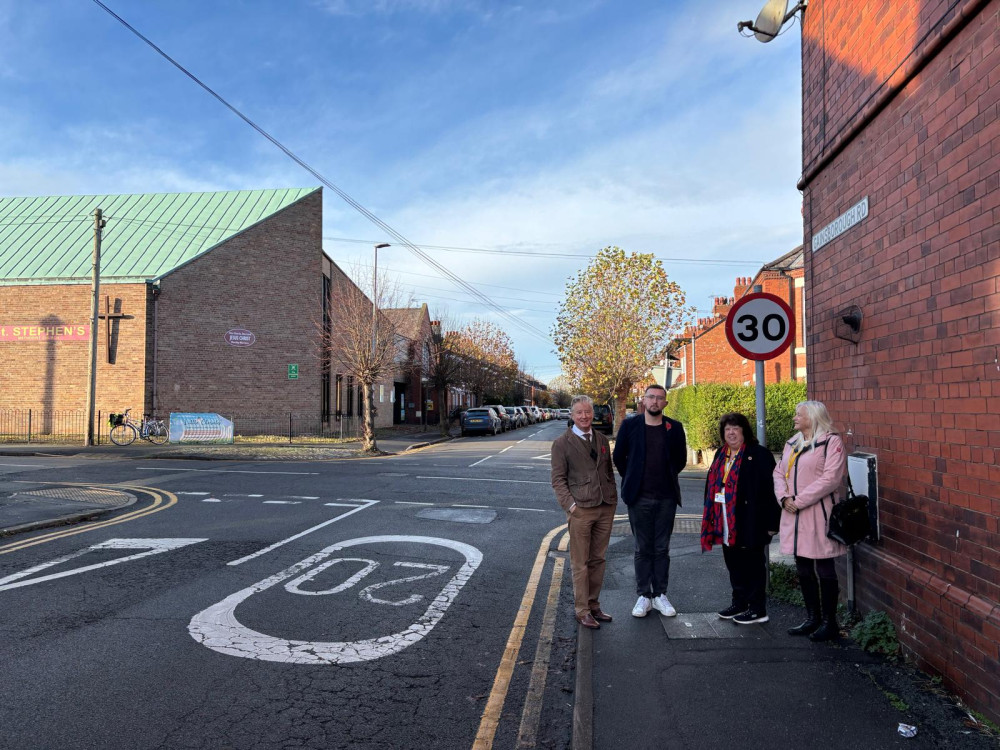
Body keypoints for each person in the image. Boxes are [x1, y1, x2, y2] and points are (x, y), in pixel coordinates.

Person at [773, 400, 847, 642]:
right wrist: (784, 498)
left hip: (818, 513)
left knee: (824, 565)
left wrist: (799, 500)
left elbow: (831, 479)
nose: (795, 418)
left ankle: (829, 622)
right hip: (793, 514)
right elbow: (778, 472)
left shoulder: (831, 442)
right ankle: (812, 618)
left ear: (813, 417)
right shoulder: (792, 442)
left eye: (799, 415)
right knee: (803, 565)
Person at [612, 384, 687, 618]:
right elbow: (619, 457)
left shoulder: (674, 427)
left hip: (666, 498)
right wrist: (633, 477)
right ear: (643, 400)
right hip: (639, 497)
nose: (655, 401)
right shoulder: (630, 426)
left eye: (659, 398)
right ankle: (644, 596)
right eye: (651, 397)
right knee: (642, 548)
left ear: (665, 403)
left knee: (662, 548)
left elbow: (681, 460)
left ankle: (660, 595)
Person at [701, 412, 780, 624]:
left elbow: (771, 490)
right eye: (727, 429)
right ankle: (740, 602)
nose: (731, 433)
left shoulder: (759, 454)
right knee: (733, 562)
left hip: (751, 520)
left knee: (753, 564)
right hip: (725, 519)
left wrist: (772, 523)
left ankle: (757, 609)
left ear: (744, 431)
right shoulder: (721, 454)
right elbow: (711, 486)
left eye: (736, 428)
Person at [551, 394, 619, 630]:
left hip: (605, 506)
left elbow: (608, 472)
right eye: (579, 412)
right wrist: (571, 506)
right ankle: (582, 610)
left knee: (598, 559)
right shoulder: (562, 443)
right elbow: (558, 480)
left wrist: (612, 499)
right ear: (572, 415)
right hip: (580, 509)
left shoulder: (601, 439)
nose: (584, 416)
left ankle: (594, 604)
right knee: (580, 562)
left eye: (588, 412)